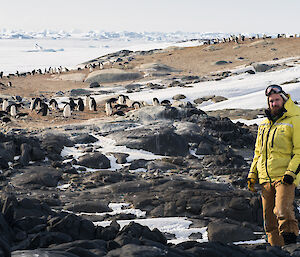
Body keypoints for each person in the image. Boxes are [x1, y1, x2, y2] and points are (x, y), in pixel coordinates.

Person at [247, 84, 300, 246]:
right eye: (271, 101)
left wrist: (291, 173)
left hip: (285, 177)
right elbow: (258, 154)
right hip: (265, 178)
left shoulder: (295, 120)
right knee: (269, 220)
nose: (274, 104)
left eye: (277, 100)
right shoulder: (263, 125)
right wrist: (252, 174)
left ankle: (291, 246)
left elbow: (299, 151)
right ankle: (276, 250)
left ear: (284, 100)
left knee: (282, 210)